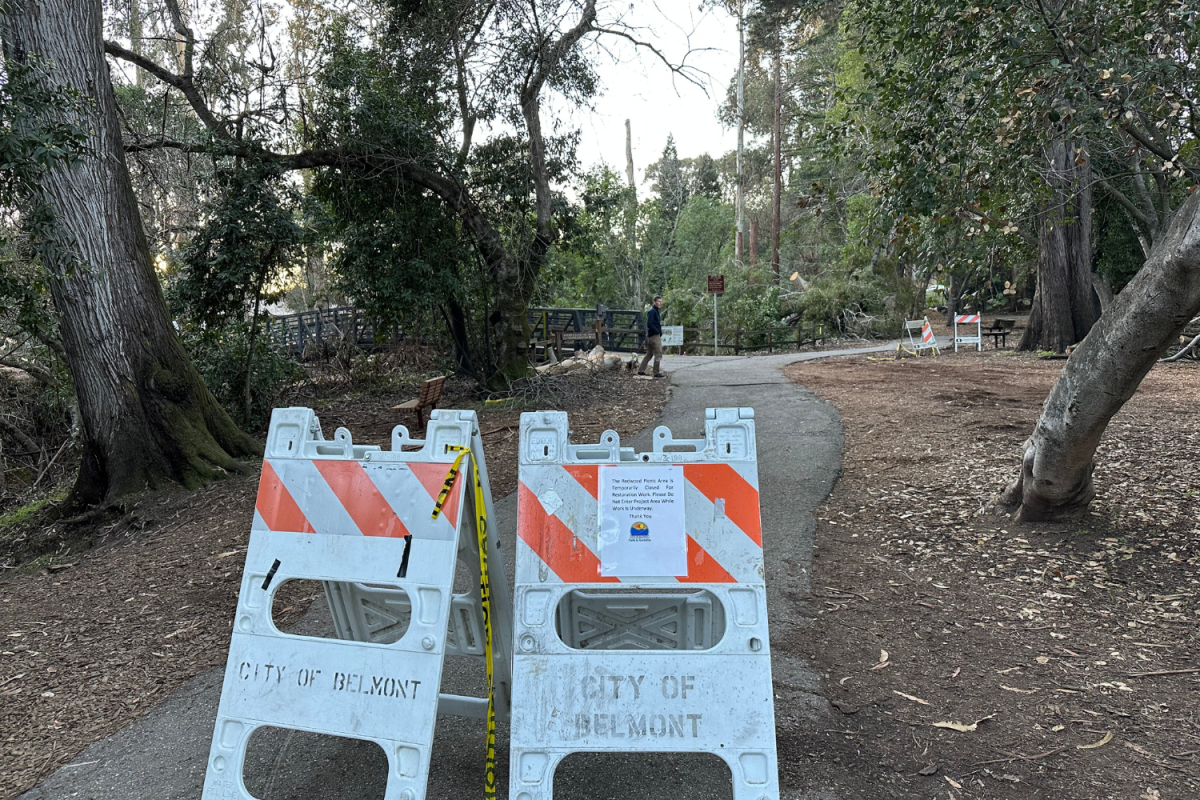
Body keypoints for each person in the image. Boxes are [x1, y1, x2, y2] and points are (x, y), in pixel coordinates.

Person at [638, 296, 665, 378]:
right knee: (658, 353)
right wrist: (657, 331)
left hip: (652, 335)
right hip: (654, 335)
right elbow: (650, 324)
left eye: (661, 301)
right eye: (658, 301)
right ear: (654, 302)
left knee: (649, 354)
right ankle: (656, 373)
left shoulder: (656, 311)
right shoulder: (652, 311)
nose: (660, 303)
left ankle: (641, 371)